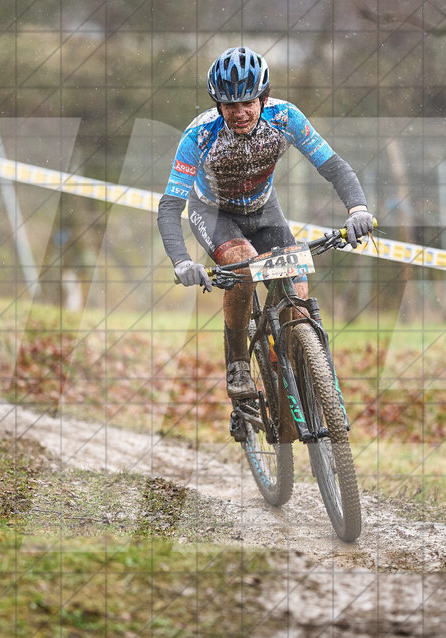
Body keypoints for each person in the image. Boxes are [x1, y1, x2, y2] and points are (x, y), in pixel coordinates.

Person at [157, 46, 374, 399]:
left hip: (263, 209)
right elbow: (170, 206)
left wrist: (358, 209)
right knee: (242, 269)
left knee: (298, 292)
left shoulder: (285, 118)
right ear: (218, 106)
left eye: (248, 103)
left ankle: (289, 363)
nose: (240, 113)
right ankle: (238, 361)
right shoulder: (199, 135)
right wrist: (181, 261)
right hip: (214, 212)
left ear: (265, 97)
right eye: (230, 105)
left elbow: (333, 166)